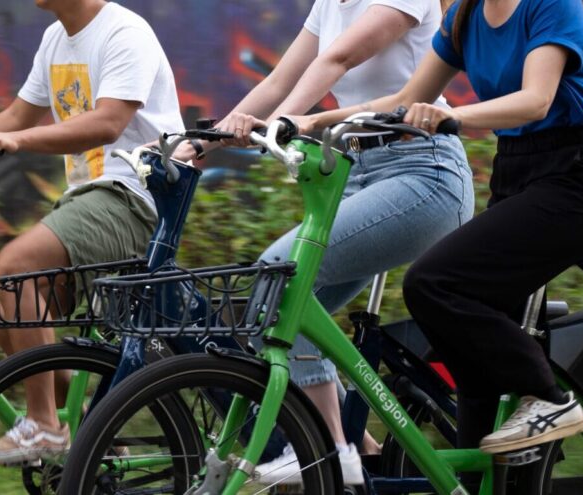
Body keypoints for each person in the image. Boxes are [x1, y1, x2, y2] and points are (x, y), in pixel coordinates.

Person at [279, 0, 583, 468]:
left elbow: (535, 100)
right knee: (473, 365)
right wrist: (318, 121)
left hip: (573, 186)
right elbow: (402, 103)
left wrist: (452, 117)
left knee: (432, 282)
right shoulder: (465, 16)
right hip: (515, 176)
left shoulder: (551, 6)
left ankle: (549, 398)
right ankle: (484, 473)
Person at [185, 0, 475, 486]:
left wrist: (279, 121)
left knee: (284, 274)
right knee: (273, 303)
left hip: (425, 173)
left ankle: (330, 453)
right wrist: (205, 141)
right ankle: (359, 452)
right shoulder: (328, 4)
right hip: (359, 175)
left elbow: (339, 59)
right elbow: (280, 80)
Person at [0, 0, 183, 466]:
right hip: (91, 198)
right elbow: (20, 115)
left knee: (17, 268)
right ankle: (92, 432)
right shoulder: (56, 39)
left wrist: (16, 143)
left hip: (138, 197)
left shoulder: (125, 32)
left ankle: (44, 426)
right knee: (13, 313)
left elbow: (107, 122)